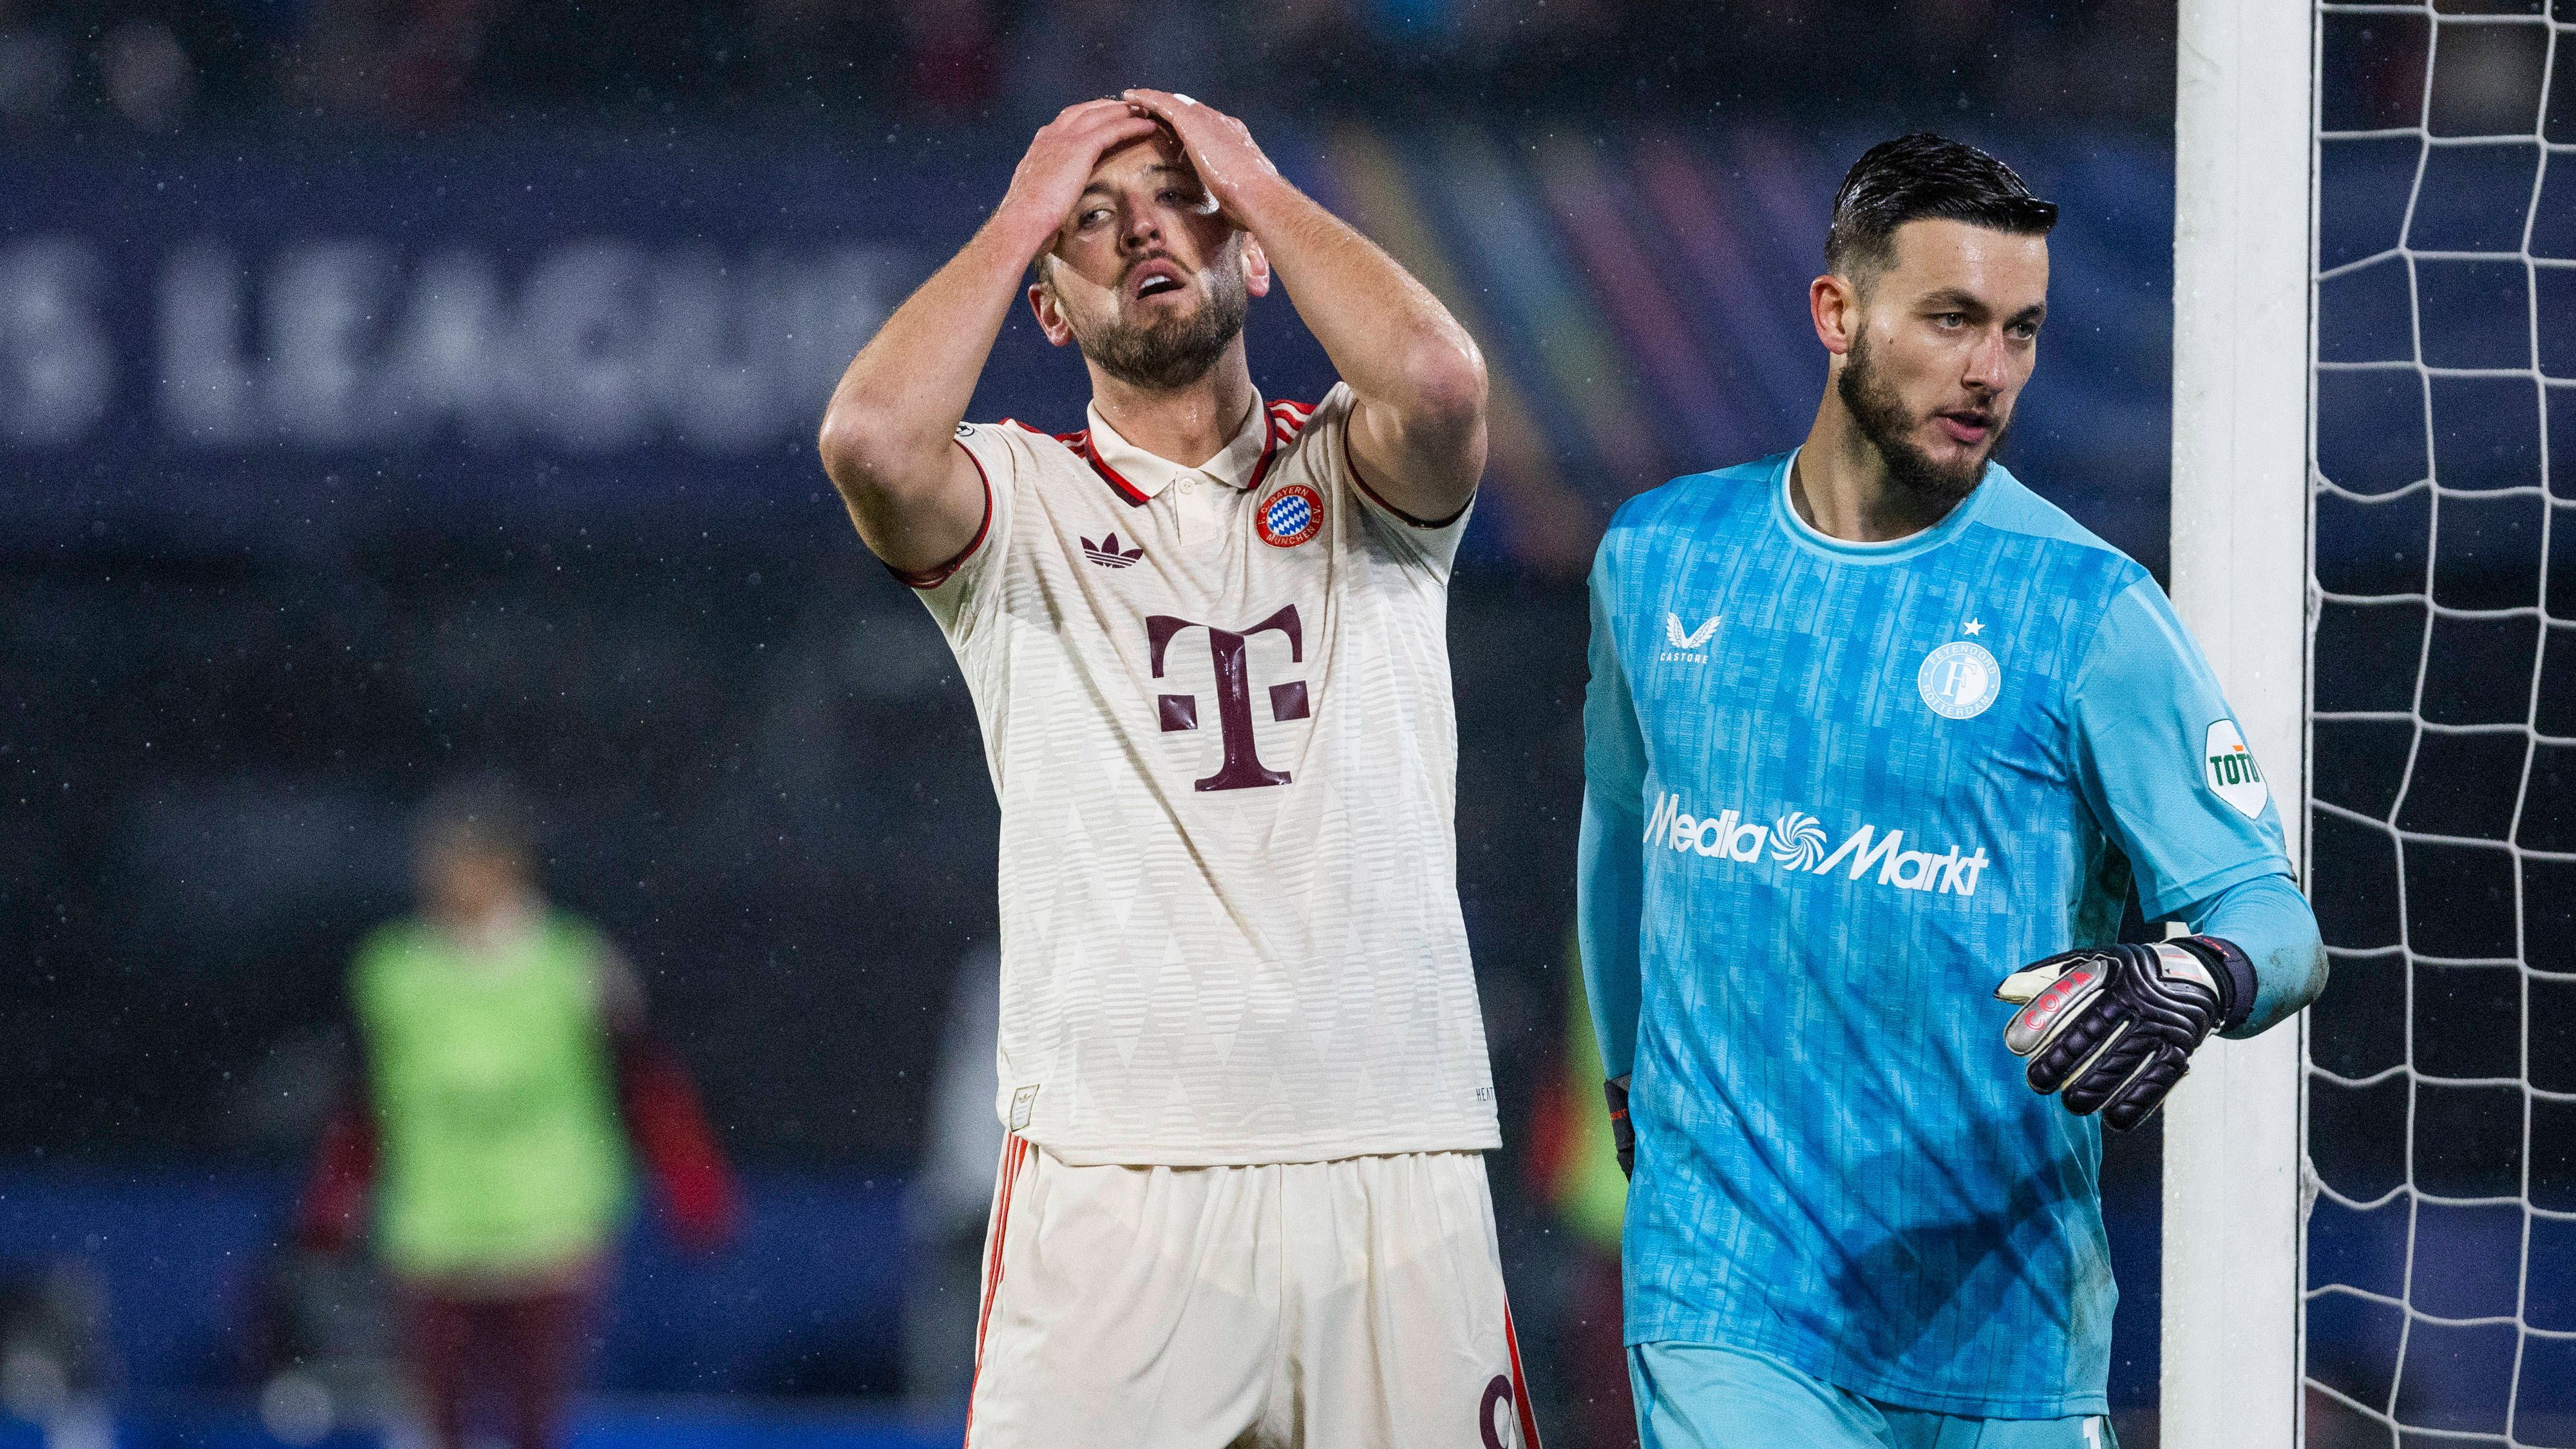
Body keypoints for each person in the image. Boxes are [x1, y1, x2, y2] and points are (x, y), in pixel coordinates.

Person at [1576, 134, 2328, 1447]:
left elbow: (2276, 919)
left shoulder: (2088, 611)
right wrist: (1632, 1085)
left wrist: (2195, 975)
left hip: (2002, 1324)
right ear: (1835, 312)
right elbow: (1615, 832)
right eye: (1951, 320)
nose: (1989, 371)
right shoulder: (1656, 559)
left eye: (2021, 332)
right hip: (1727, 1293)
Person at [816, 91, 1539, 1448]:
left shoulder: (1358, 468)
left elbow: (1443, 382)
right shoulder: (1016, 507)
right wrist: (1023, 210)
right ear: (1046, 306)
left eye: (1177, 198)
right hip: (1116, 1170)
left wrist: (1255, 174)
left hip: (1392, 1143)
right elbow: (867, 442)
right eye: (1094, 222)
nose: (1141, 229)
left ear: (1253, 250)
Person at [296, 779, 737, 1449]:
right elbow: (362, 1102)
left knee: (535, 1420)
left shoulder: (575, 964)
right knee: (442, 1422)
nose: (446, 878)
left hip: (549, 1222)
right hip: (437, 1224)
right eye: (438, 861)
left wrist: (693, 1184)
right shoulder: (394, 970)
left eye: (464, 860)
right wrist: (335, 1198)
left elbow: (648, 1084)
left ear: (508, 868)